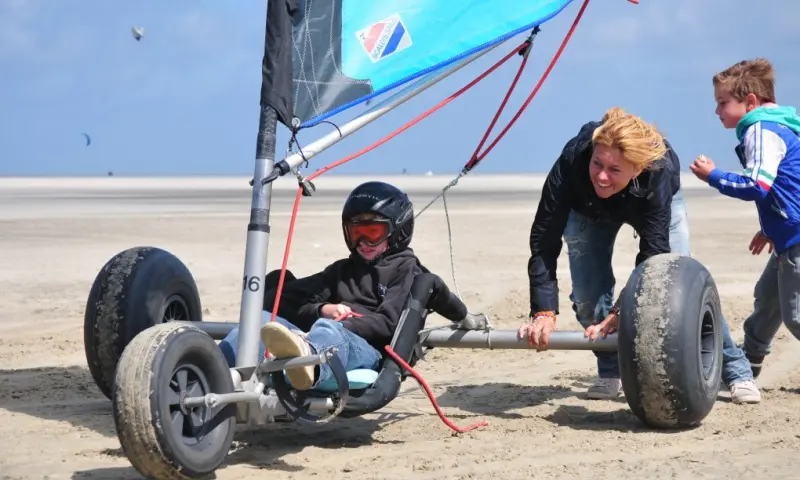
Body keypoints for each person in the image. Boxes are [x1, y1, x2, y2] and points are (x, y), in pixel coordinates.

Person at [518, 106, 761, 404]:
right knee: (587, 297)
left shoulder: (658, 170)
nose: (602, 176)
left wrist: (621, 310)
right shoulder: (573, 158)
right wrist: (543, 311)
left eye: (614, 169)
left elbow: (653, 256)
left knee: (685, 293)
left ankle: (736, 370)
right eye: (597, 163)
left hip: (653, 204)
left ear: (637, 169)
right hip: (589, 209)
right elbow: (544, 237)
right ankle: (611, 370)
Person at [218, 180, 488, 390]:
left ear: (398, 231)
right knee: (260, 320)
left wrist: (340, 323)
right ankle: (210, 368)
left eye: (372, 233)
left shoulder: (406, 270)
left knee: (329, 331)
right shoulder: (342, 270)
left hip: (365, 349)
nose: (363, 243)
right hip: (317, 334)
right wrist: (323, 309)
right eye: (356, 233)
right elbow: (285, 299)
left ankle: (307, 363)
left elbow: (389, 323)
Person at [689, 58, 800, 380]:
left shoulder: (761, 130)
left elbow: (756, 185)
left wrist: (713, 175)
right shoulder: (780, 126)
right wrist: (770, 228)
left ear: (750, 102)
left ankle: (748, 361)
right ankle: (749, 362)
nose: (717, 111)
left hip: (796, 237)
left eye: (722, 102)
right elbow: (786, 186)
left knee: (795, 315)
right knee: (768, 300)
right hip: (787, 234)